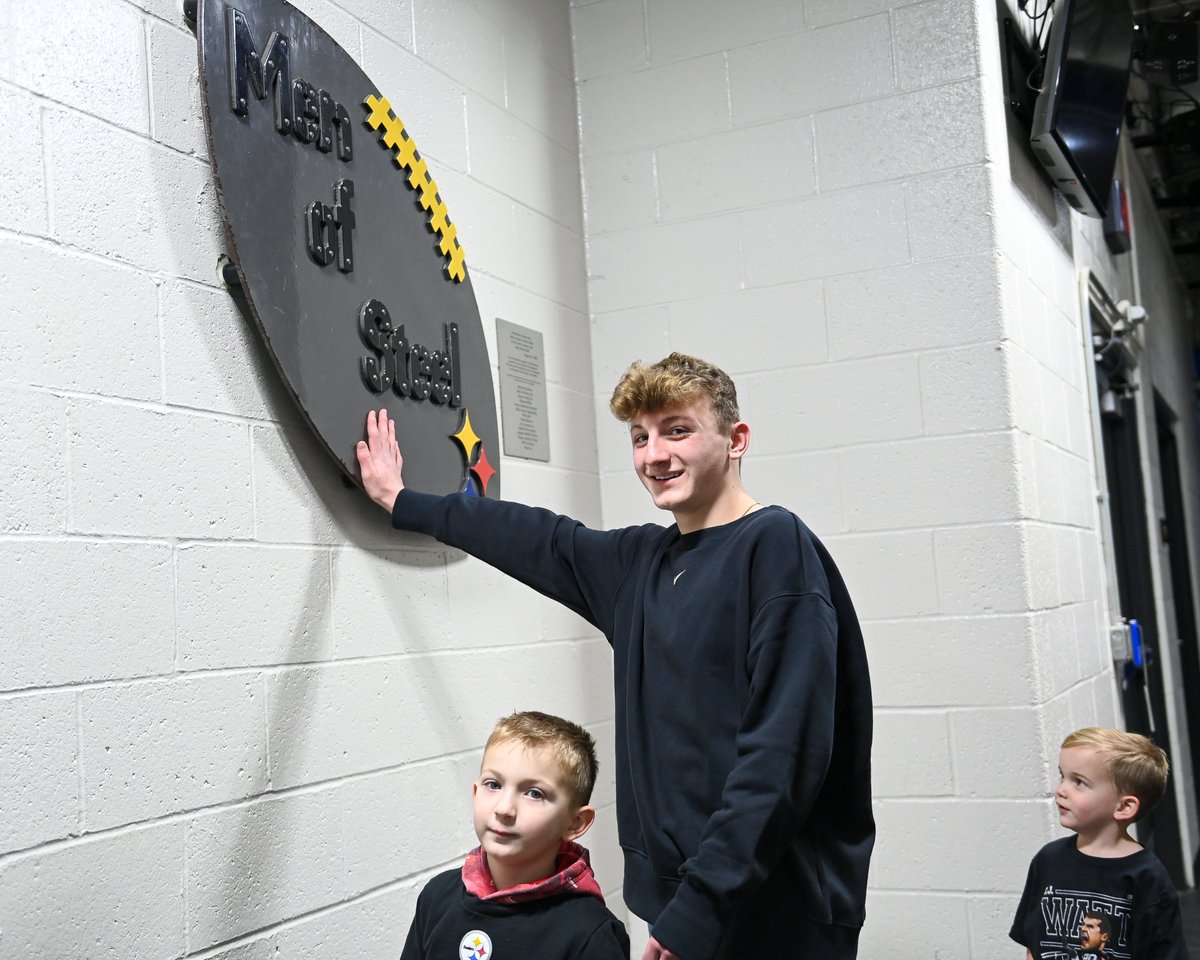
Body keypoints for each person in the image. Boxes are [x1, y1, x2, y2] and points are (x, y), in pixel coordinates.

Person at [359, 352, 875, 960]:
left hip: (768, 913)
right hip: (679, 906)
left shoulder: (775, 547)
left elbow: (782, 755)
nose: (654, 455)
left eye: (677, 430)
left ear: (736, 439)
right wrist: (403, 501)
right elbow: (534, 537)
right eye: (639, 437)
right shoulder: (641, 566)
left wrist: (701, 909)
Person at [400, 710, 630, 960]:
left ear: (575, 823)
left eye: (534, 793)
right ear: (476, 792)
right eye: (493, 785)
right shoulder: (437, 896)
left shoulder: (591, 934)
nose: (504, 809)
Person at [1009, 726, 1188, 960]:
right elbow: (1033, 944)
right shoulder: (1048, 860)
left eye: (1079, 782)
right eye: (1062, 775)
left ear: (1124, 807)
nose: (1061, 789)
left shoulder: (1147, 876)